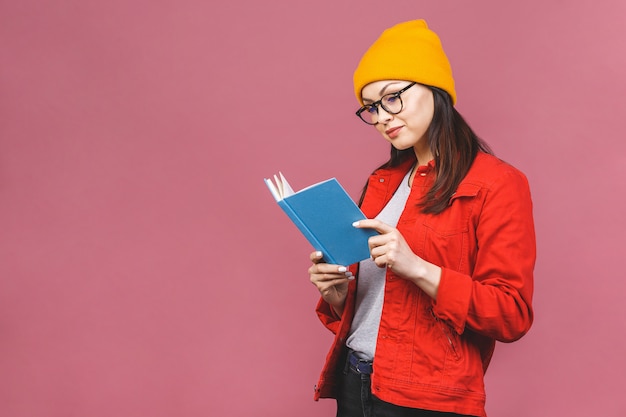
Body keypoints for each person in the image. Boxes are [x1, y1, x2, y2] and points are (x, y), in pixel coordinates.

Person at [308, 20, 535, 417]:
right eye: (372, 107)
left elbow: (510, 314)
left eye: (392, 97)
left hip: (426, 398)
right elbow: (382, 305)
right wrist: (338, 294)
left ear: (434, 89)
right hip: (354, 380)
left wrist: (416, 267)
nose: (382, 117)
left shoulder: (497, 183)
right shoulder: (383, 181)